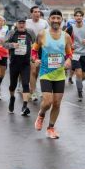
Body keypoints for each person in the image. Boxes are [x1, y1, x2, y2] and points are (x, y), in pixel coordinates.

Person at [32, 9, 73, 139]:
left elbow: (69, 53)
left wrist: (68, 60)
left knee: (56, 103)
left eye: (58, 18)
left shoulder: (66, 36)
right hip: (45, 73)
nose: (56, 20)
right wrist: (35, 59)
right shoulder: (42, 34)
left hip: (60, 74)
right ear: (49, 20)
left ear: (61, 20)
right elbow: (34, 50)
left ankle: (50, 128)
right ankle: (41, 114)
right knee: (47, 102)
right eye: (53, 18)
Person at [6, 19, 36, 116]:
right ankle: (12, 98)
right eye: (20, 23)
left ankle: (24, 106)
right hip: (14, 63)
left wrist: (34, 56)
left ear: (25, 24)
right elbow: (3, 44)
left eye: (23, 23)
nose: (21, 25)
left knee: (25, 84)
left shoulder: (30, 32)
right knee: (13, 85)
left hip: (25, 63)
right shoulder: (12, 32)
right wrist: (12, 45)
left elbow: (36, 44)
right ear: (17, 24)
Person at [65, 8, 85, 101]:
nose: (78, 17)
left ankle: (79, 82)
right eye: (77, 16)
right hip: (75, 54)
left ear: (82, 17)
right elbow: (65, 38)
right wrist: (70, 45)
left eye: (80, 16)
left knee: (84, 76)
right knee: (78, 72)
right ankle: (80, 91)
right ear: (74, 17)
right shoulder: (70, 28)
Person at [27, 6, 49, 102]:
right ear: (31, 13)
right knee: (33, 70)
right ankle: (33, 92)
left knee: (38, 71)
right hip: (31, 48)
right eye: (35, 12)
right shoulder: (27, 22)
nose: (37, 13)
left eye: (39, 12)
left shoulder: (44, 23)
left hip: (42, 48)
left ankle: (33, 87)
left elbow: (49, 34)